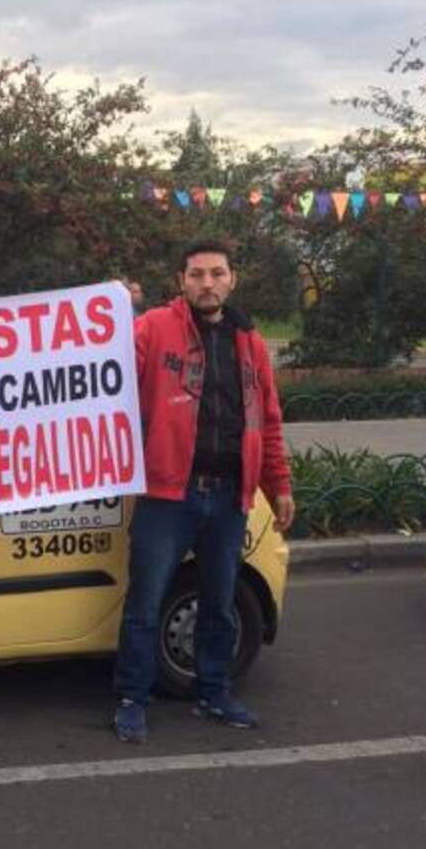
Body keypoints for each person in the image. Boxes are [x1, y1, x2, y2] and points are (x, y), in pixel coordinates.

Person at [113, 239, 294, 743]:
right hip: (167, 496)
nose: (207, 283)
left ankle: (215, 690)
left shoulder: (251, 343)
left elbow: (268, 421)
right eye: (196, 275)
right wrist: (110, 312)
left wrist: (279, 485)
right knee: (145, 603)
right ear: (181, 281)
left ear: (232, 280)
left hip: (230, 496)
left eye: (217, 274)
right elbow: (110, 365)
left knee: (219, 601)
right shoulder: (153, 328)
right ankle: (132, 697)